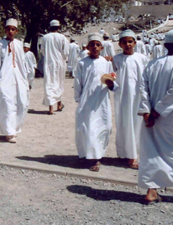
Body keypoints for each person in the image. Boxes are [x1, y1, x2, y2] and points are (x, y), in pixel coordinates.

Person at [138, 29, 173, 204]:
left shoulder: (152, 64)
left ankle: (152, 191)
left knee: (153, 152)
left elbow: (143, 88)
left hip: (151, 117)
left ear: (165, 45)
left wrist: (147, 112)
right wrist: (158, 111)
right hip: (166, 115)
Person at [74, 33, 118, 172]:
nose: (95, 47)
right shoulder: (82, 63)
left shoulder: (106, 63)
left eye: (97, 44)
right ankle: (86, 155)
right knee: (85, 127)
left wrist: (111, 84)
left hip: (101, 101)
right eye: (92, 44)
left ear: (101, 47)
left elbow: (112, 83)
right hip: (86, 101)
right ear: (87, 47)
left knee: (101, 127)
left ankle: (97, 157)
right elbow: (78, 83)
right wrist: (79, 98)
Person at [112, 29, 148, 169]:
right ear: (120, 44)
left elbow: (147, 79)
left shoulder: (142, 58)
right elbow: (112, 78)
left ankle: (135, 156)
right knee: (124, 125)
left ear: (135, 43)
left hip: (139, 98)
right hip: (123, 98)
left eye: (130, 41)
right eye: (125, 42)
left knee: (138, 126)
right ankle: (126, 154)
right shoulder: (116, 59)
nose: (128, 44)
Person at [0, 18, 32, 144]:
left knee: (22, 102)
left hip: (19, 77)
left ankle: (15, 128)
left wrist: (26, 79)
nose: (10, 31)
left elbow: (22, 62)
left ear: (16, 31)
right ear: (5, 30)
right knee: (7, 102)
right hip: (5, 77)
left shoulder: (19, 44)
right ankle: (9, 132)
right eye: (8, 29)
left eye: (13, 29)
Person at [40, 20, 69, 115]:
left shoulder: (45, 38)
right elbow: (65, 52)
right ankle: (59, 104)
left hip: (49, 63)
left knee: (49, 83)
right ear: (59, 27)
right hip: (60, 63)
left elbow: (43, 51)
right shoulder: (62, 37)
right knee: (59, 82)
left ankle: (51, 108)